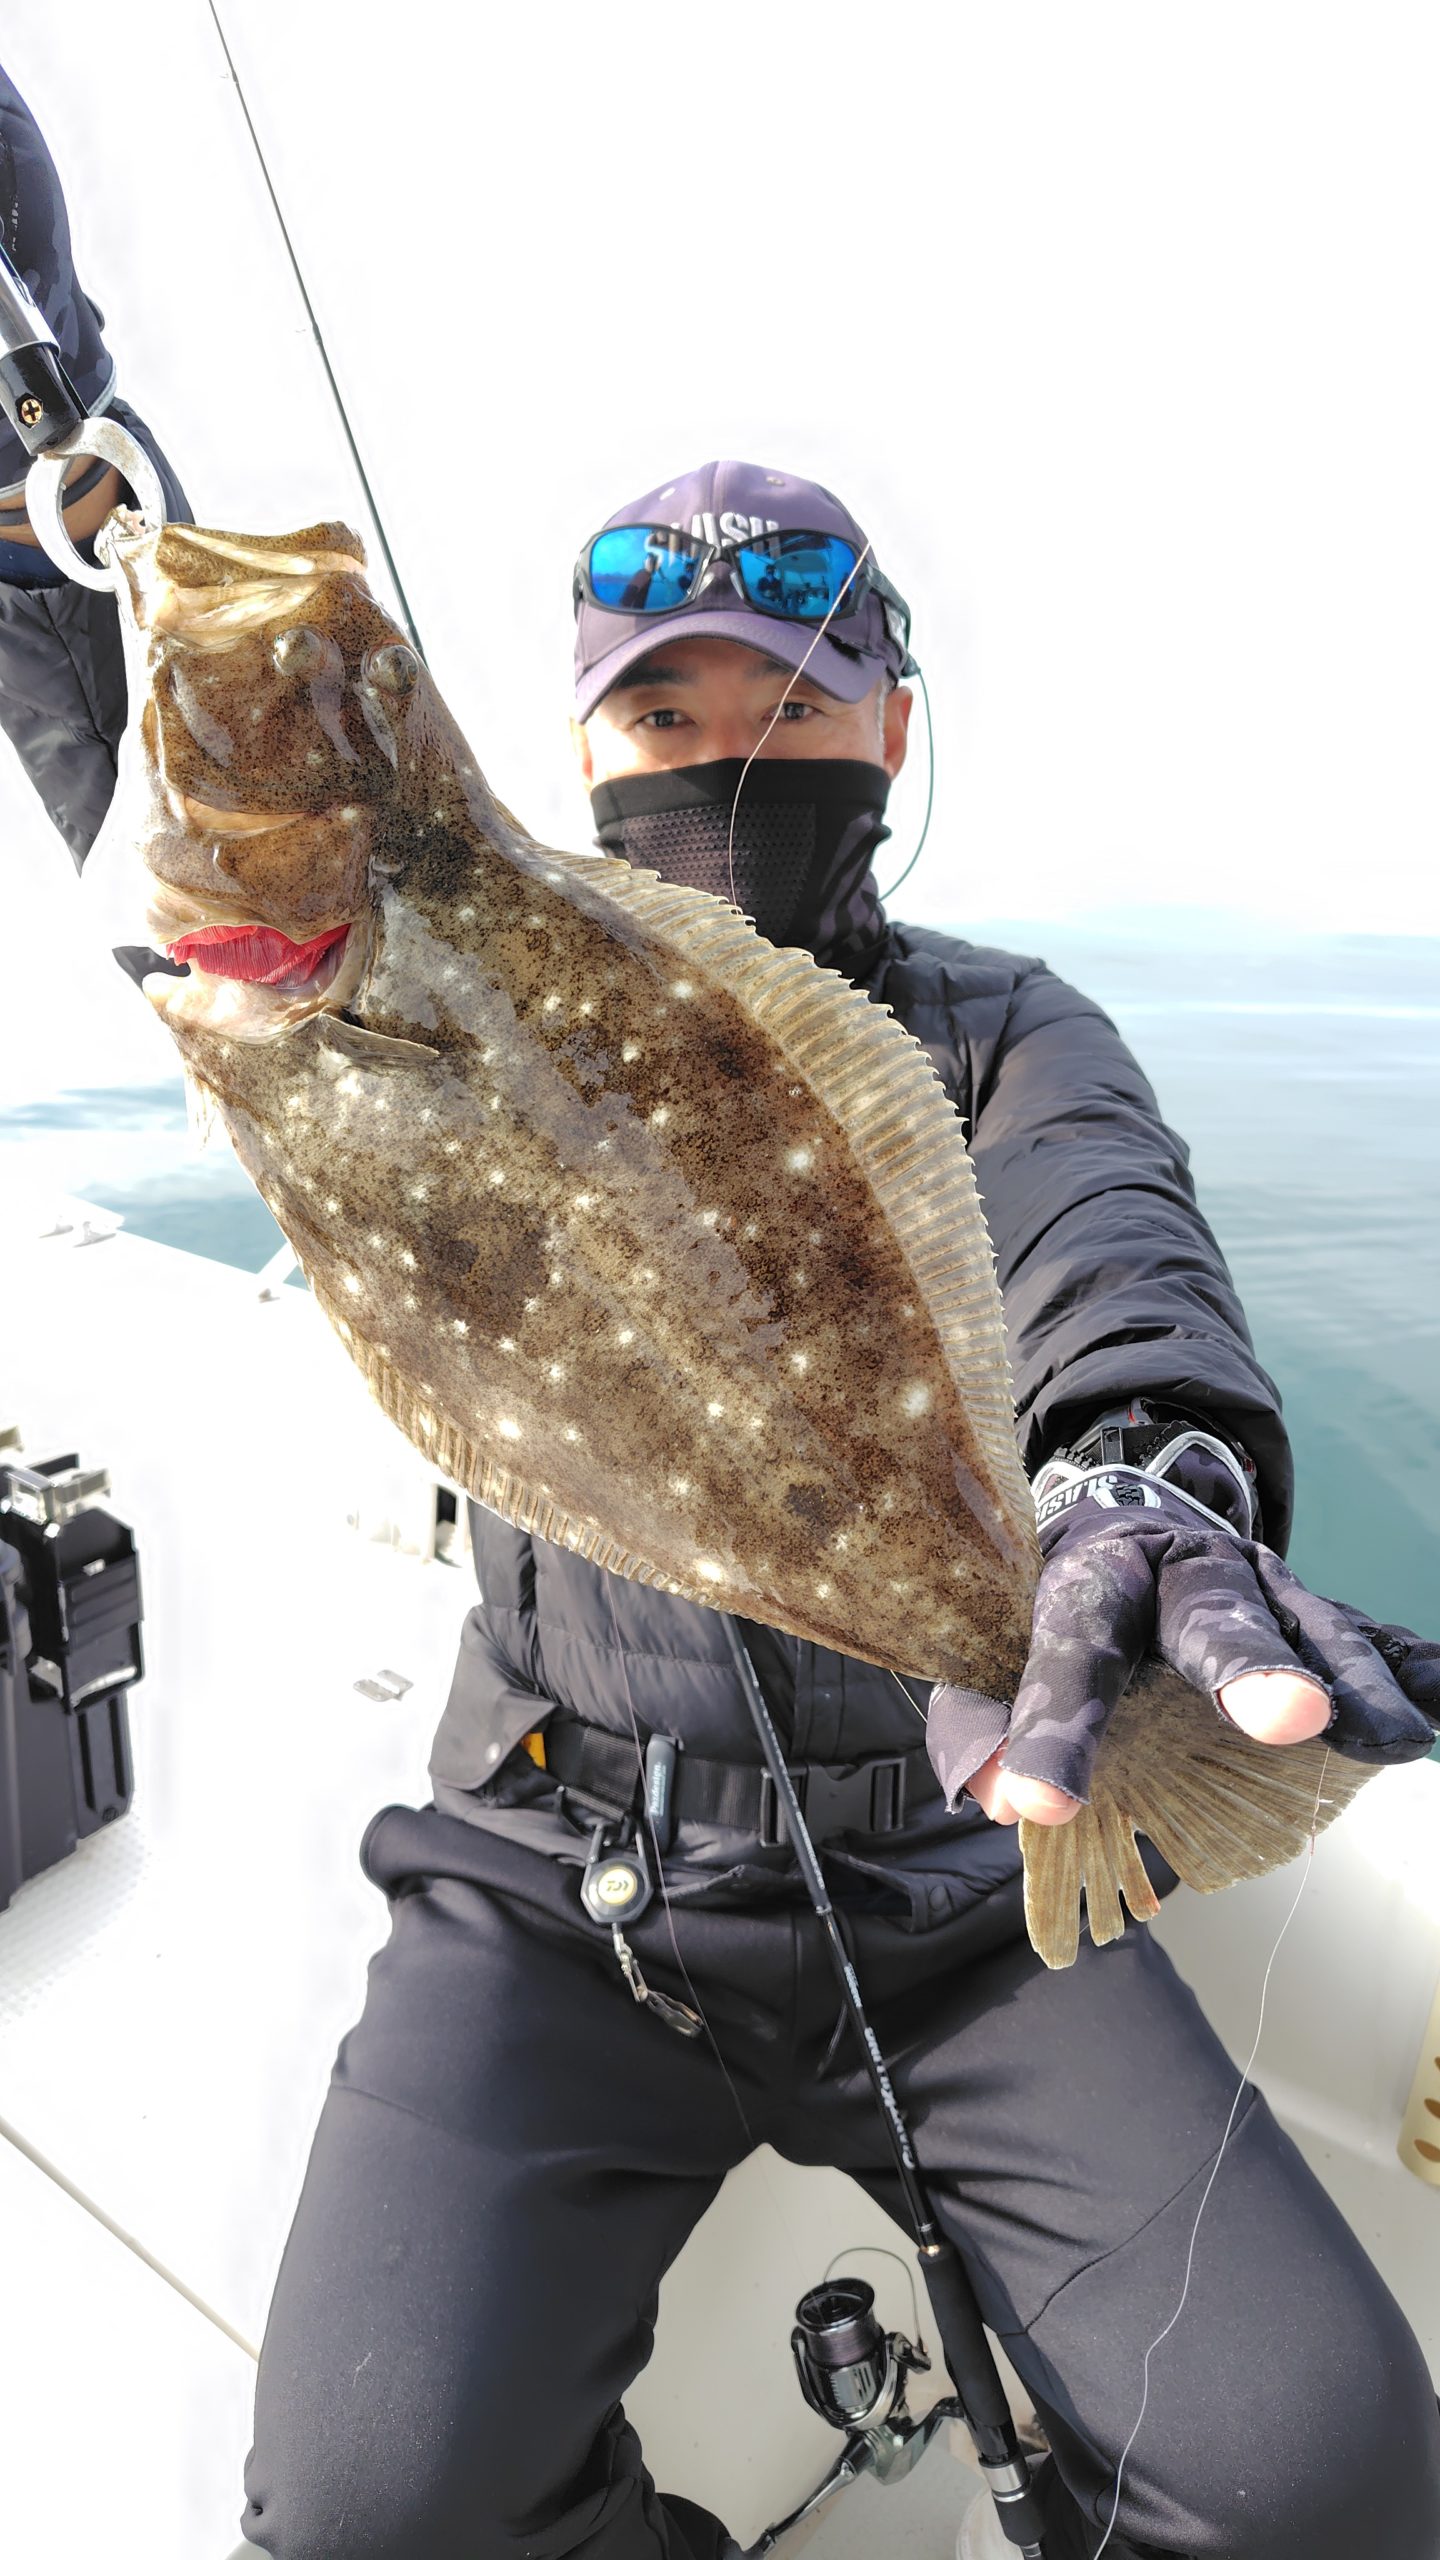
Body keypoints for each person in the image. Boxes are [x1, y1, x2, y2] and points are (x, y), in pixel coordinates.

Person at [2, 66, 1438, 2560]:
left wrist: (1151, 1474)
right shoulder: (387, 960)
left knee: (1336, 2473)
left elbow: (1112, 1254)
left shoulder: (1006, 1038)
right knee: (369, 2512)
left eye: (787, 705)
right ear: (575, 746)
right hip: (553, 1863)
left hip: (967, 1880)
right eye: (663, 711)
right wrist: (46, 414)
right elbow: (132, 704)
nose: (723, 754)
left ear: (895, 724)